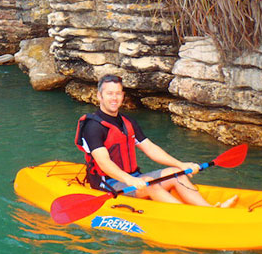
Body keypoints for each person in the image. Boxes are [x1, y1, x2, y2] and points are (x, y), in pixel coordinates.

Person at [75, 74, 238, 208]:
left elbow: (150, 148)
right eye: (109, 93)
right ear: (99, 96)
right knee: (150, 184)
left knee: (177, 174)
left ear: (123, 96)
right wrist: (129, 180)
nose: (114, 98)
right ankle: (192, 216)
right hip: (108, 184)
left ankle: (209, 210)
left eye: (118, 93)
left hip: (135, 178)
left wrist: (181, 165)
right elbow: (104, 163)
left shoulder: (128, 122)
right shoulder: (93, 127)